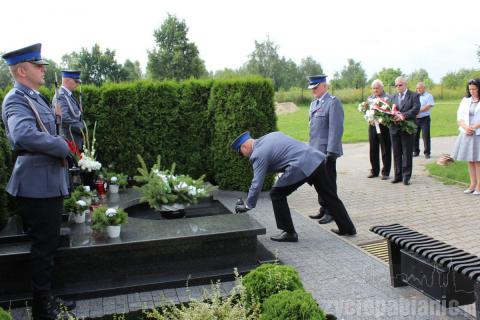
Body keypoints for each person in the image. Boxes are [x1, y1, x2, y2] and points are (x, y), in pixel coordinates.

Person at [1, 44, 75, 319]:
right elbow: (22, 135)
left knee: (49, 244)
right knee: (43, 248)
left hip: (47, 182)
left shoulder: (34, 96)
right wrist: (61, 146)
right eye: (37, 65)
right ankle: (41, 308)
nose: (43, 69)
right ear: (21, 70)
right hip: (35, 185)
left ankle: (47, 295)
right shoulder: (15, 98)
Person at [232, 131, 356, 242]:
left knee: (276, 194)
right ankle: (347, 228)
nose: (244, 156)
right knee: (330, 196)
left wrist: (249, 205)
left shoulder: (258, 154)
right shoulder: (272, 135)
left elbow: (257, 183)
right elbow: (287, 153)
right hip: (316, 159)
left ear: (244, 146)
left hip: (301, 166)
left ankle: (289, 233)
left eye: (241, 154)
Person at [306, 75, 343, 225]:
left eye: (315, 87)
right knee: (318, 182)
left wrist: (332, 152)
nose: (313, 91)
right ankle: (323, 207)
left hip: (327, 152)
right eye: (311, 88)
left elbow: (336, 128)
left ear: (324, 86)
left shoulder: (332, 103)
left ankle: (332, 211)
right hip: (315, 150)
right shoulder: (314, 103)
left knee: (328, 183)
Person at [451, 78, 480, 195]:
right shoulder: (465, 100)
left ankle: (479, 186)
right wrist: (465, 127)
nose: (472, 91)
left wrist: (474, 127)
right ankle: (472, 184)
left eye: (474, 89)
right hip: (467, 133)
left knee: (478, 160)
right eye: (470, 89)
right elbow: (460, 117)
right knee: (470, 160)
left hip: (478, 133)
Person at [390, 76, 420, 185]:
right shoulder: (392, 97)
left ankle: (406, 176)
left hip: (407, 128)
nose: (398, 87)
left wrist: (403, 116)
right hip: (394, 129)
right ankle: (397, 175)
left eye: (400, 85)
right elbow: (389, 110)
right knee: (396, 152)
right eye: (396, 85)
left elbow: (415, 109)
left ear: (405, 84)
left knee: (407, 153)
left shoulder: (414, 95)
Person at [366, 79, 392, 180]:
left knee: (385, 149)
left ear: (382, 88)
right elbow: (366, 111)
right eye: (373, 88)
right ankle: (374, 171)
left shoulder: (388, 97)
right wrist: (369, 118)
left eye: (377, 88)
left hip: (384, 126)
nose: (375, 90)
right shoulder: (370, 98)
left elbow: (390, 111)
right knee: (373, 149)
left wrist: (383, 118)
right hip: (372, 125)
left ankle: (385, 172)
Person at [53, 70, 84, 150]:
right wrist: (81, 128)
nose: (78, 84)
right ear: (67, 80)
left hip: (75, 140)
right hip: (68, 141)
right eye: (76, 81)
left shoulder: (68, 95)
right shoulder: (61, 95)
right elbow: (64, 118)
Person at [414, 82, 434, 159]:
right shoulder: (415, 96)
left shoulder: (429, 96)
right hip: (415, 119)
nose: (418, 89)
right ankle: (415, 151)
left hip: (424, 119)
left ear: (424, 88)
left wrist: (416, 111)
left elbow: (428, 107)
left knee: (425, 136)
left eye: (420, 88)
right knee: (415, 135)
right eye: (417, 88)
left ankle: (427, 152)